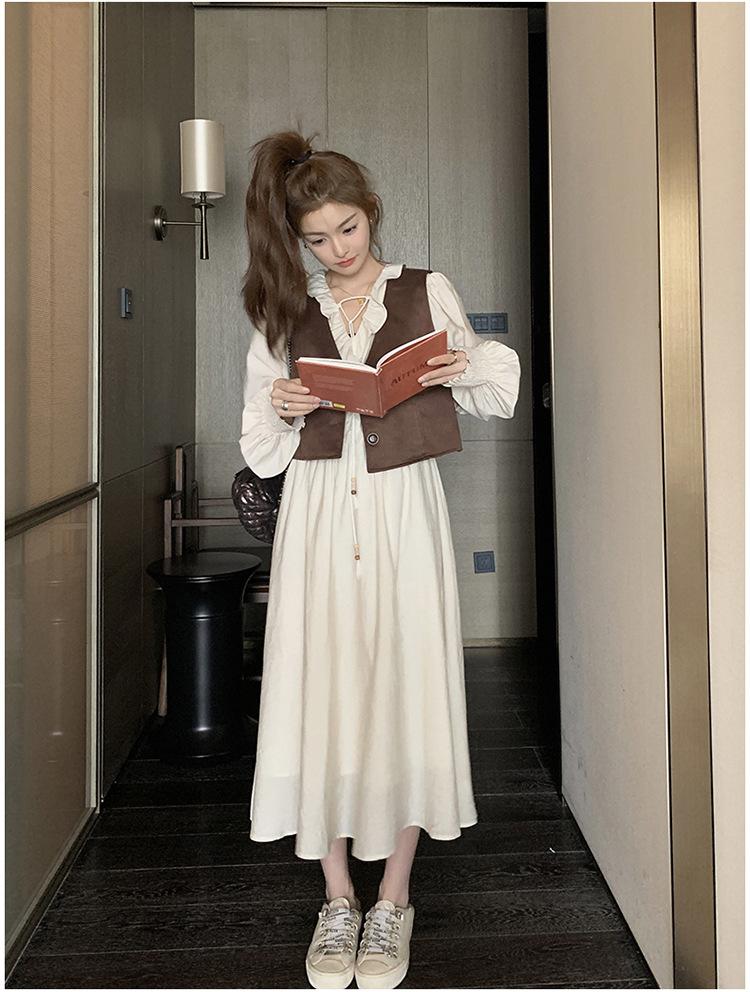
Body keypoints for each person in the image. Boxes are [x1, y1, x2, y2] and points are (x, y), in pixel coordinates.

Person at [238, 129, 521, 990]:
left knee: (405, 682)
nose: (337, 250)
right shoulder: (284, 310)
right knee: (320, 683)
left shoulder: (426, 289)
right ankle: (337, 897)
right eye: (318, 238)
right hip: (319, 514)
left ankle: (393, 896)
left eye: (348, 229)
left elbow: (496, 391)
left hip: (404, 512)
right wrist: (284, 405)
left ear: (372, 213)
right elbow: (258, 447)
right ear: (299, 241)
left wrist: (456, 362)